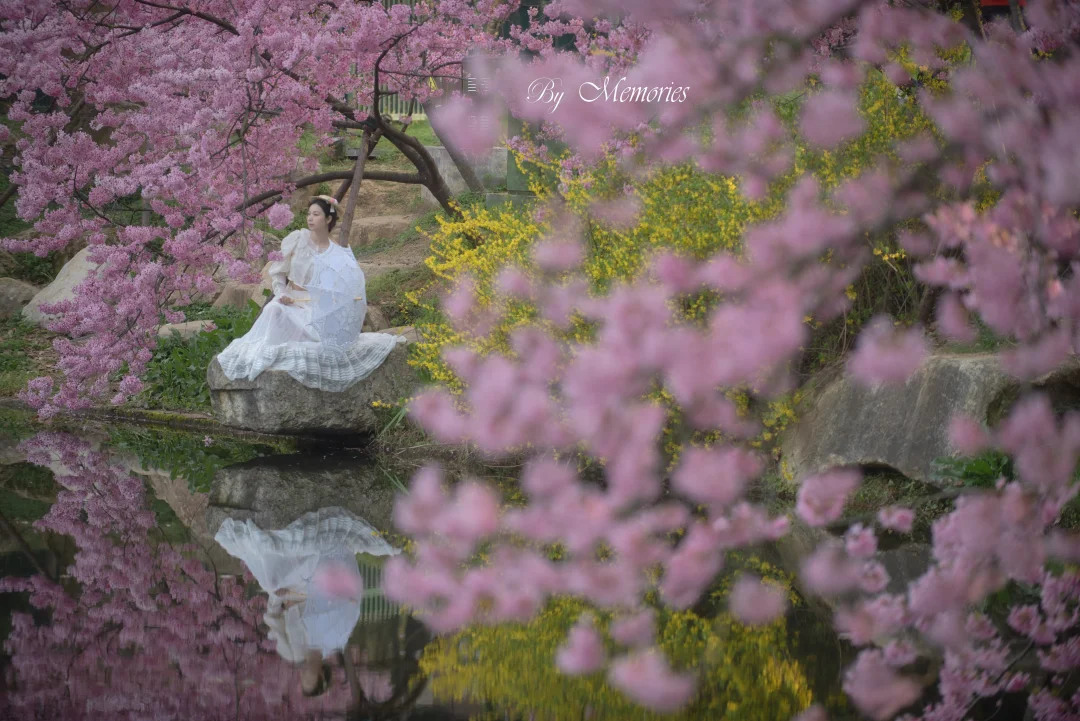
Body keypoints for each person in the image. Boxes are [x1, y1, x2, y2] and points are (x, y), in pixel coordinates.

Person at [214, 195, 405, 392]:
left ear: (328, 219)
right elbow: (279, 275)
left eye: (316, 214)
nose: (310, 218)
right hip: (288, 301)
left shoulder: (336, 253)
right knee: (273, 310)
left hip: (313, 307)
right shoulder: (297, 240)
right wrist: (281, 294)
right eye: (309, 214)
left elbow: (335, 290)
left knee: (319, 335)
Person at [213, 507, 402, 696]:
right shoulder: (332, 637)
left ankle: (266, 540)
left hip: (288, 592)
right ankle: (298, 545)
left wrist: (279, 596)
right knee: (283, 576)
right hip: (310, 587)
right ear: (321, 676)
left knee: (270, 582)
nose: (302, 676)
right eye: (308, 679)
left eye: (302, 680)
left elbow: (272, 617)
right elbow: (329, 597)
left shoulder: (289, 653)